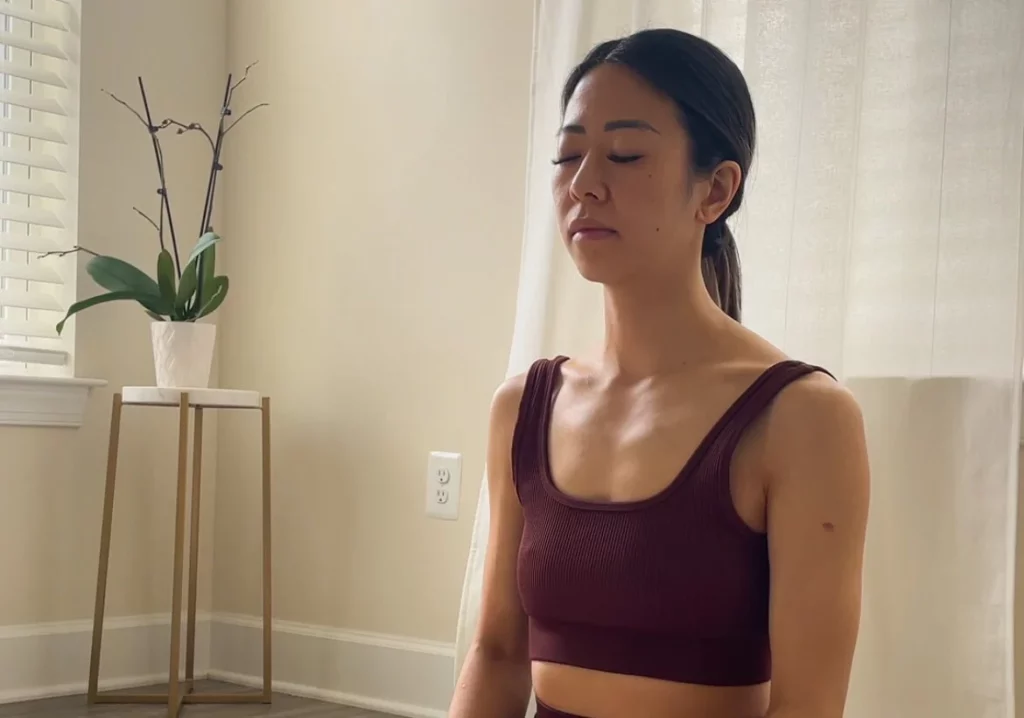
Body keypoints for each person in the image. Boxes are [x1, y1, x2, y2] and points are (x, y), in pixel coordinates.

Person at [449, 28, 870, 718]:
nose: (584, 183)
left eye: (625, 153)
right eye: (567, 155)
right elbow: (497, 656)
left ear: (716, 190)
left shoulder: (801, 417)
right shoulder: (522, 406)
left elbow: (808, 707)